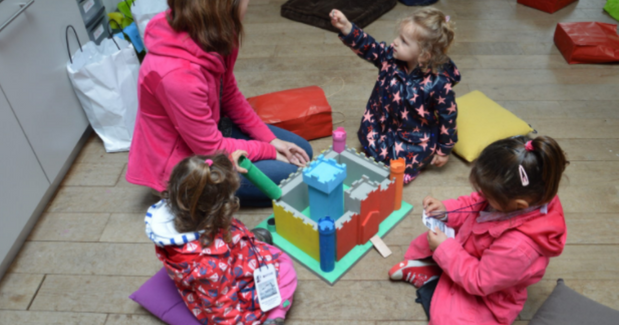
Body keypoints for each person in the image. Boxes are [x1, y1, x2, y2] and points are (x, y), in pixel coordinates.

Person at [127, 0, 312, 207]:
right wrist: (269, 151)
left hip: (207, 135)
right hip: (186, 164)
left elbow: (229, 93)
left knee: (302, 151)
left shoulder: (218, 32)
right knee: (293, 175)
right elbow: (211, 149)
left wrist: (270, 140)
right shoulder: (177, 76)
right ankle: (181, 192)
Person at [388, 136, 569, 324]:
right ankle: (434, 273)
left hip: (489, 293)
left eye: (488, 196)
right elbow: (474, 202)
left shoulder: (518, 248)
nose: (483, 196)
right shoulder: (522, 196)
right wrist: (446, 210)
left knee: (448, 319)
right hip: (471, 248)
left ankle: (433, 277)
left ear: (518, 204)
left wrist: (445, 249)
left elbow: (481, 281)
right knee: (425, 241)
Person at [145, 153, 297, 325]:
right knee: (286, 267)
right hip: (237, 295)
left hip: (227, 260)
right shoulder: (209, 267)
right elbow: (222, 311)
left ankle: (248, 241)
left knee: (262, 247)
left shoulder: (183, 214)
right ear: (219, 209)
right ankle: (275, 315)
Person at [330, 7, 459, 184]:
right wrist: (347, 28)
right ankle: (379, 153)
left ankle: (409, 169)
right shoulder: (390, 57)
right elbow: (370, 47)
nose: (395, 42)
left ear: (424, 55)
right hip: (382, 122)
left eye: (404, 41)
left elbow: (448, 118)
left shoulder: (438, 84)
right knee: (369, 141)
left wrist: (444, 150)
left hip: (412, 136)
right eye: (399, 36)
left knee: (408, 159)